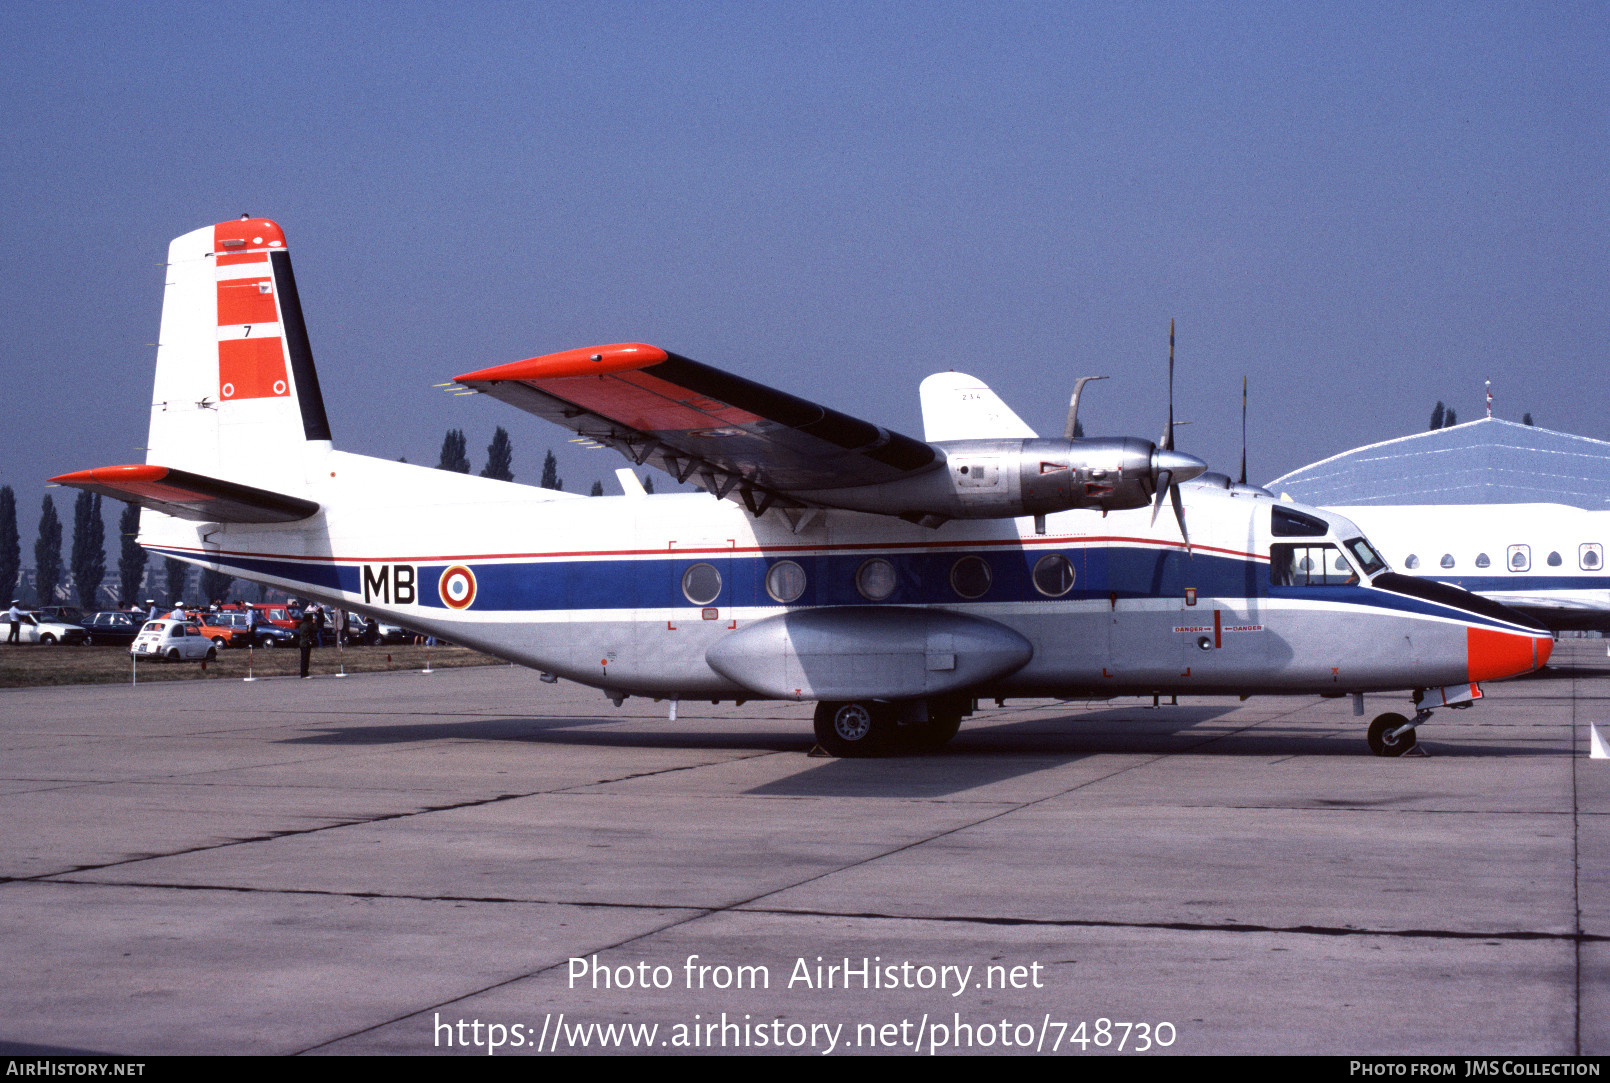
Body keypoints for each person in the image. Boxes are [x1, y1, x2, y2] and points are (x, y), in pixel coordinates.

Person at [297, 610, 316, 677]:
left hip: (302, 643)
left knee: (303, 659)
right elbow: (315, 629)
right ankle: (304, 673)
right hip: (306, 643)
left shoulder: (302, 625)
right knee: (306, 659)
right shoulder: (308, 625)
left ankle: (303, 672)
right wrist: (314, 623)